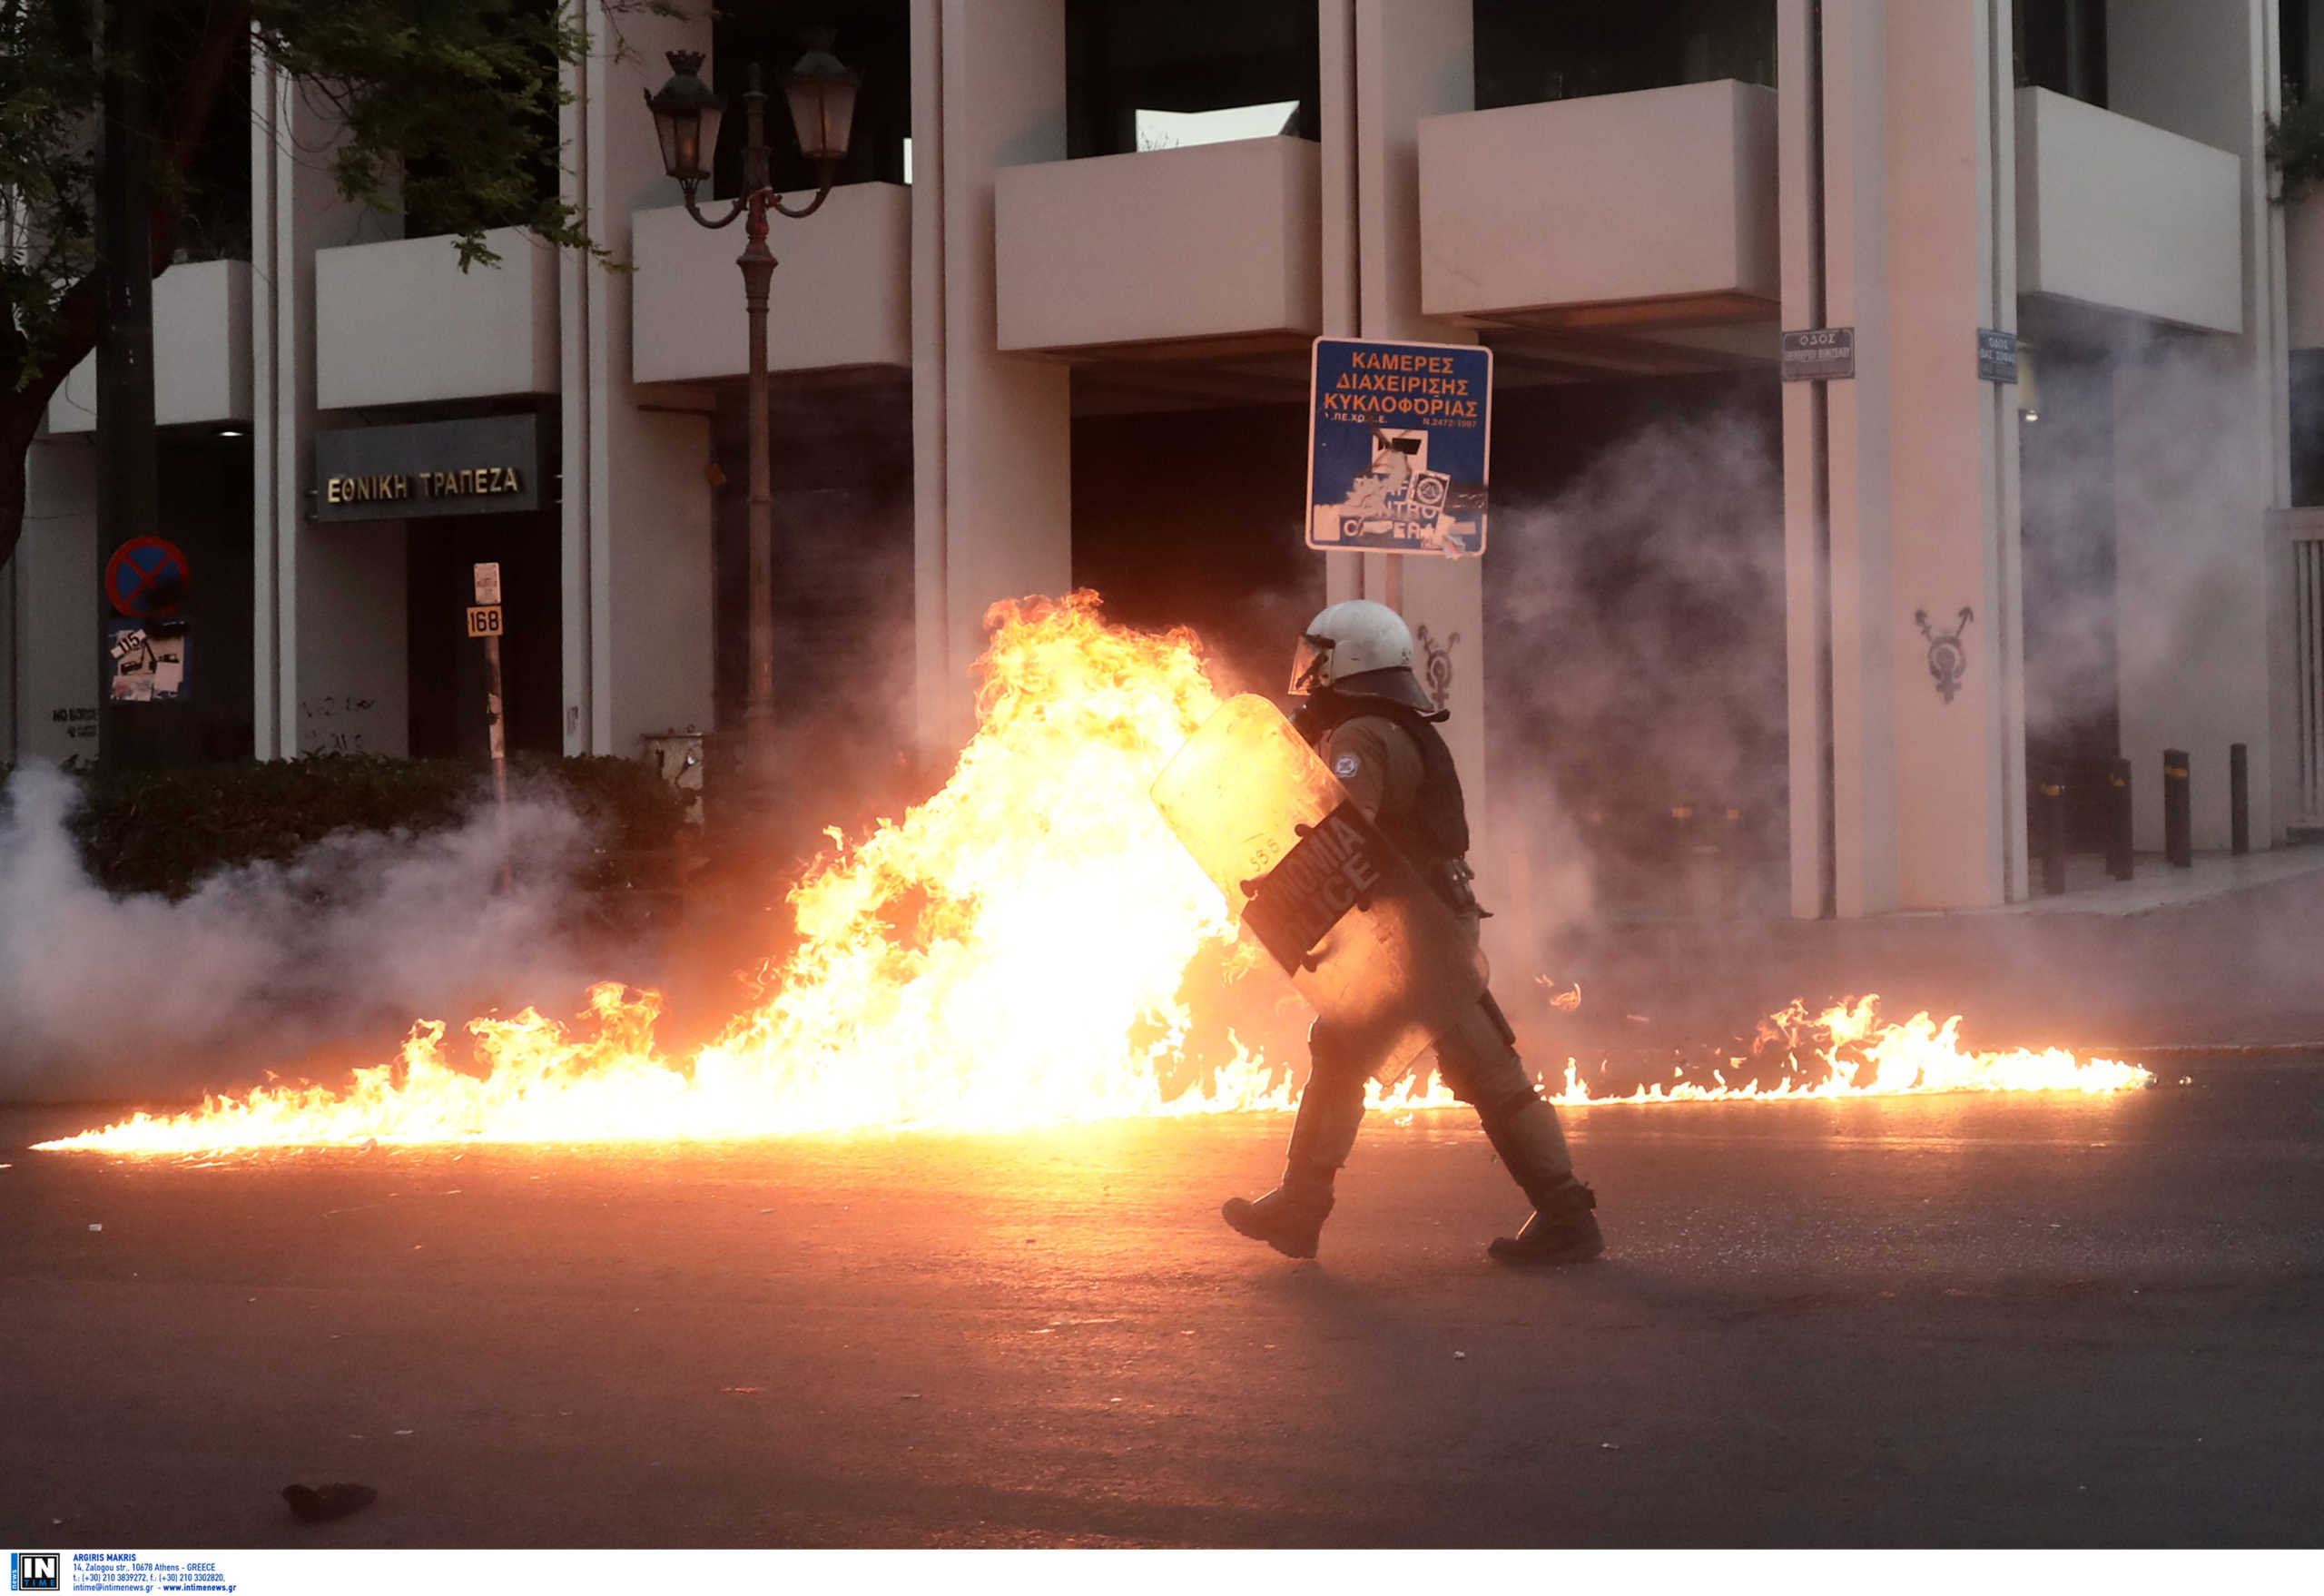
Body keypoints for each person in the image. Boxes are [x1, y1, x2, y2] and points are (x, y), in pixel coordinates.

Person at [1221, 599, 1603, 1266]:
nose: (1309, 675)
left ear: (1347, 662)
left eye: (1320, 660)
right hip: (1423, 919)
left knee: (1482, 1070)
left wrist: (1281, 892)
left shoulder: (1358, 738)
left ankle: (1567, 1215)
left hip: (1412, 930)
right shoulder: (1395, 725)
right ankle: (1301, 1209)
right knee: (1347, 1053)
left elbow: (1343, 832)